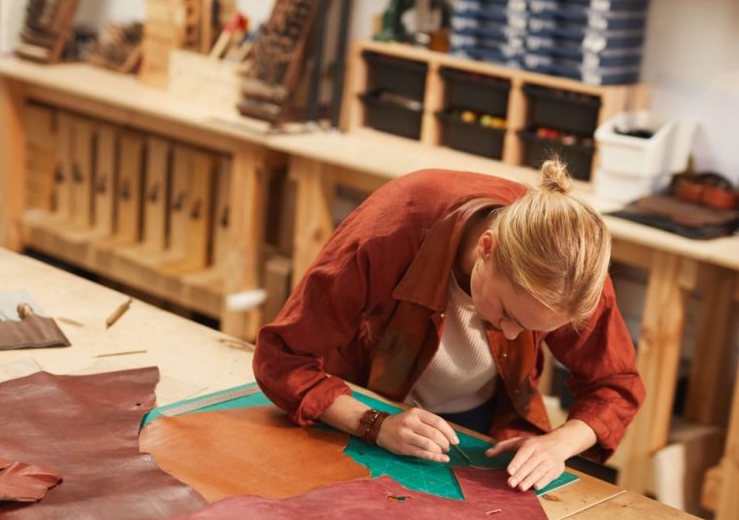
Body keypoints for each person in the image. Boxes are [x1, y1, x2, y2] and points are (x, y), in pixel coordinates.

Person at [253, 161, 644, 492]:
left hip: (484, 424)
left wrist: (558, 444)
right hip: (364, 402)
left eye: (528, 329)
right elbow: (282, 357)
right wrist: (374, 424)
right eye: (508, 313)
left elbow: (615, 385)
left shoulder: (572, 274)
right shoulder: (396, 226)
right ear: (487, 249)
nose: (511, 334)